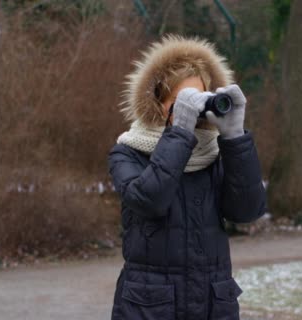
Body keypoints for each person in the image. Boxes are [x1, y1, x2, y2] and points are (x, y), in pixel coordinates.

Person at [107, 35, 266, 320]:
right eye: (183, 102)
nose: (193, 110)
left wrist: (235, 138)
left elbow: (247, 211)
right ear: (159, 103)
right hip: (150, 308)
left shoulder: (217, 152)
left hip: (212, 305)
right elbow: (149, 201)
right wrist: (179, 131)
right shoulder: (127, 153)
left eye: (199, 99)